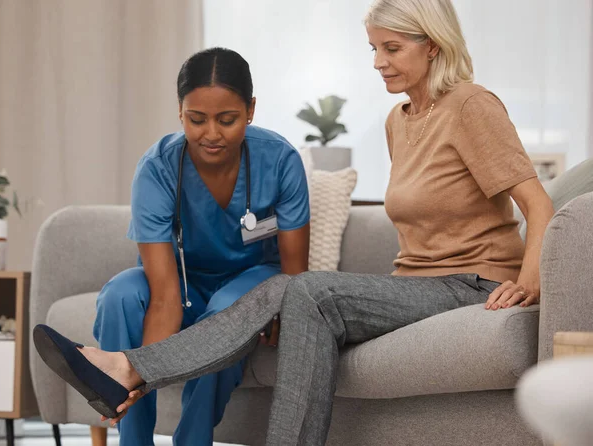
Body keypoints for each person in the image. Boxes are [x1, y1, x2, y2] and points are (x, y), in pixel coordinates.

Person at [33, 1, 555, 445]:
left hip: (472, 283)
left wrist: (529, 282)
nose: (378, 62)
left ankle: (128, 368)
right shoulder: (401, 121)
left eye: (391, 49)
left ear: (433, 46)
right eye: (373, 48)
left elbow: (539, 205)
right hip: (416, 286)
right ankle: (128, 371)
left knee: (306, 291)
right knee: (301, 296)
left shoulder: (470, 105)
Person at [58, 47, 311, 446]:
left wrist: (282, 314)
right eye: (197, 119)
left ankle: (193, 440)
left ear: (251, 110)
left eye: (227, 120)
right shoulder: (158, 168)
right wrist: (144, 373)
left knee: (228, 312)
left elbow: (296, 272)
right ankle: (132, 435)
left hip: (253, 279)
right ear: (180, 111)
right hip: (182, 281)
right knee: (121, 295)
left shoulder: (280, 160)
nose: (211, 134)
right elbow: (163, 294)